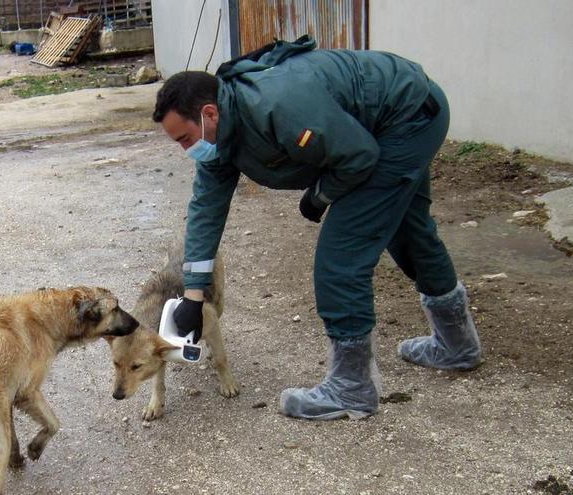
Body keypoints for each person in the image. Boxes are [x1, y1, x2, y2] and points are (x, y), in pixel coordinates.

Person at [153, 35, 482, 420]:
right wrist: (193, 296)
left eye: (185, 139)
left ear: (209, 114)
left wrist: (320, 196)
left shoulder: (277, 106)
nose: (185, 150)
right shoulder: (223, 133)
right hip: (390, 117)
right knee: (408, 231)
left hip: (405, 118)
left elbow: (359, 156)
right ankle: (457, 345)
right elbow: (206, 211)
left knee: (342, 253)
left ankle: (352, 388)